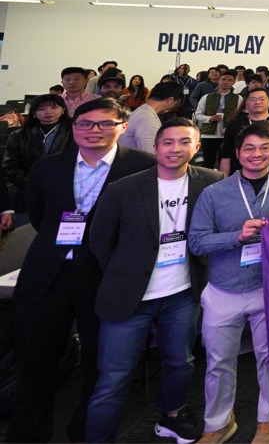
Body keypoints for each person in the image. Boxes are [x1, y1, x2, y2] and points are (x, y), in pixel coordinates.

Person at [7, 98, 155, 443]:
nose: (94, 130)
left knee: (99, 363)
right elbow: (40, 215)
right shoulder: (48, 167)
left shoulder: (142, 167)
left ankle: (86, 433)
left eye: (105, 123)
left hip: (105, 276)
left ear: (123, 126)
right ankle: (28, 435)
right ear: (73, 127)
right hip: (48, 273)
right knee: (34, 360)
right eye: (85, 124)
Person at [87, 118, 222, 443]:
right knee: (114, 378)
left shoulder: (210, 182)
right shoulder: (123, 188)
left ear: (197, 147)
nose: (176, 149)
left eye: (184, 142)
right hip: (130, 294)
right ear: (155, 147)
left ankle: (172, 417)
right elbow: (100, 241)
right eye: (168, 142)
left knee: (181, 363)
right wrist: (127, 273)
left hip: (182, 293)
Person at [188, 121, 269, 443]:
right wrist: (236, 236)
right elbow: (197, 242)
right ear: (237, 153)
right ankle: (219, 422)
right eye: (249, 148)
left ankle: (268, 419)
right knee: (219, 362)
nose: (256, 154)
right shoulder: (215, 192)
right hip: (224, 288)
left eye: (265, 148)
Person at [1, 94, 75, 216]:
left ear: (63, 109)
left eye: (53, 107)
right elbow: (9, 166)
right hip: (27, 191)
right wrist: (33, 184)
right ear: (34, 112)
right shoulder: (18, 135)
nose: (48, 112)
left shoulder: (75, 133)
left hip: (65, 190)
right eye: (41, 109)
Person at [219, 88, 269, 177]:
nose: (257, 102)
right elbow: (226, 156)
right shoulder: (234, 125)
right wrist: (224, 179)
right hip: (239, 175)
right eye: (253, 99)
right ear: (246, 103)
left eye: (262, 99)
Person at [195, 71, 241, 170]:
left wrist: (232, 128)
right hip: (208, 135)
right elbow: (198, 115)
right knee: (208, 163)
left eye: (229, 80)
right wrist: (210, 118)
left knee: (225, 163)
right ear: (219, 81)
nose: (226, 82)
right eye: (223, 79)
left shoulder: (238, 98)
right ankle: (207, 179)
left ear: (233, 82)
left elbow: (240, 118)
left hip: (227, 135)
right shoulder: (207, 97)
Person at [120, 81, 183, 152]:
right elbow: (150, 153)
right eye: (175, 104)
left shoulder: (137, 112)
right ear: (171, 100)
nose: (172, 109)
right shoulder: (148, 120)